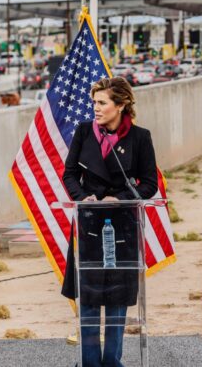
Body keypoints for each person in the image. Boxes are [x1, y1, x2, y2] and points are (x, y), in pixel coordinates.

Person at [61, 77, 158, 367]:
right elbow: (69, 174)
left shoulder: (140, 137)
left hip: (123, 226)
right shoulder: (83, 132)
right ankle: (89, 362)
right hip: (89, 222)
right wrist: (84, 197)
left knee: (117, 298)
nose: (96, 108)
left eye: (102, 103)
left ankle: (112, 362)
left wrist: (123, 199)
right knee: (89, 297)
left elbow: (150, 183)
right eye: (94, 102)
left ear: (121, 105)